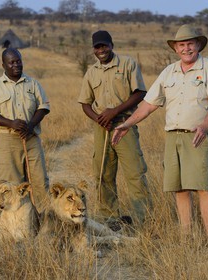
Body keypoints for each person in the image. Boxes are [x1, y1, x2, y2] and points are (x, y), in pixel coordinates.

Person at [112, 25, 208, 239]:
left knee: (203, 187)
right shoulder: (168, 72)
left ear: (198, 45)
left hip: (198, 136)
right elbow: (149, 104)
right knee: (179, 188)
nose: (186, 48)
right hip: (173, 137)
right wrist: (127, 124)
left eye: (190, 43)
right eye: (181, 45)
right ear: (175, 48)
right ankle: (186, 237)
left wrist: (205, 125)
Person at [78, 30, 152, 230]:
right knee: (103, 173)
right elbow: (85, 104)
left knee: (135, 173)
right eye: (97, 47)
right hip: (103, 127)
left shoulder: (128, 64)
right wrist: (100, 119)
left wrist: (114, 112)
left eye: (104, 45)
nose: (101, 50)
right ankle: (109, 218)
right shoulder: (91, 72)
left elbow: (140, 93)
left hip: (125, 124)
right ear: (93, 50)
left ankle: (143, 219)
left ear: (112, 45)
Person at [0, 48, 50, 212]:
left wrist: (30, 125)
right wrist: (11, 123)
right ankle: (16, 224)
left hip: (31, 138)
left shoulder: (33, 84)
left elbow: (43, 107)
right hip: (7, 141)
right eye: (11, 62)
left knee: (40, 182)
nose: (16, 65)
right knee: (12, 186)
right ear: (3, 65)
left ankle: (44, 221)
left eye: (18, 61)